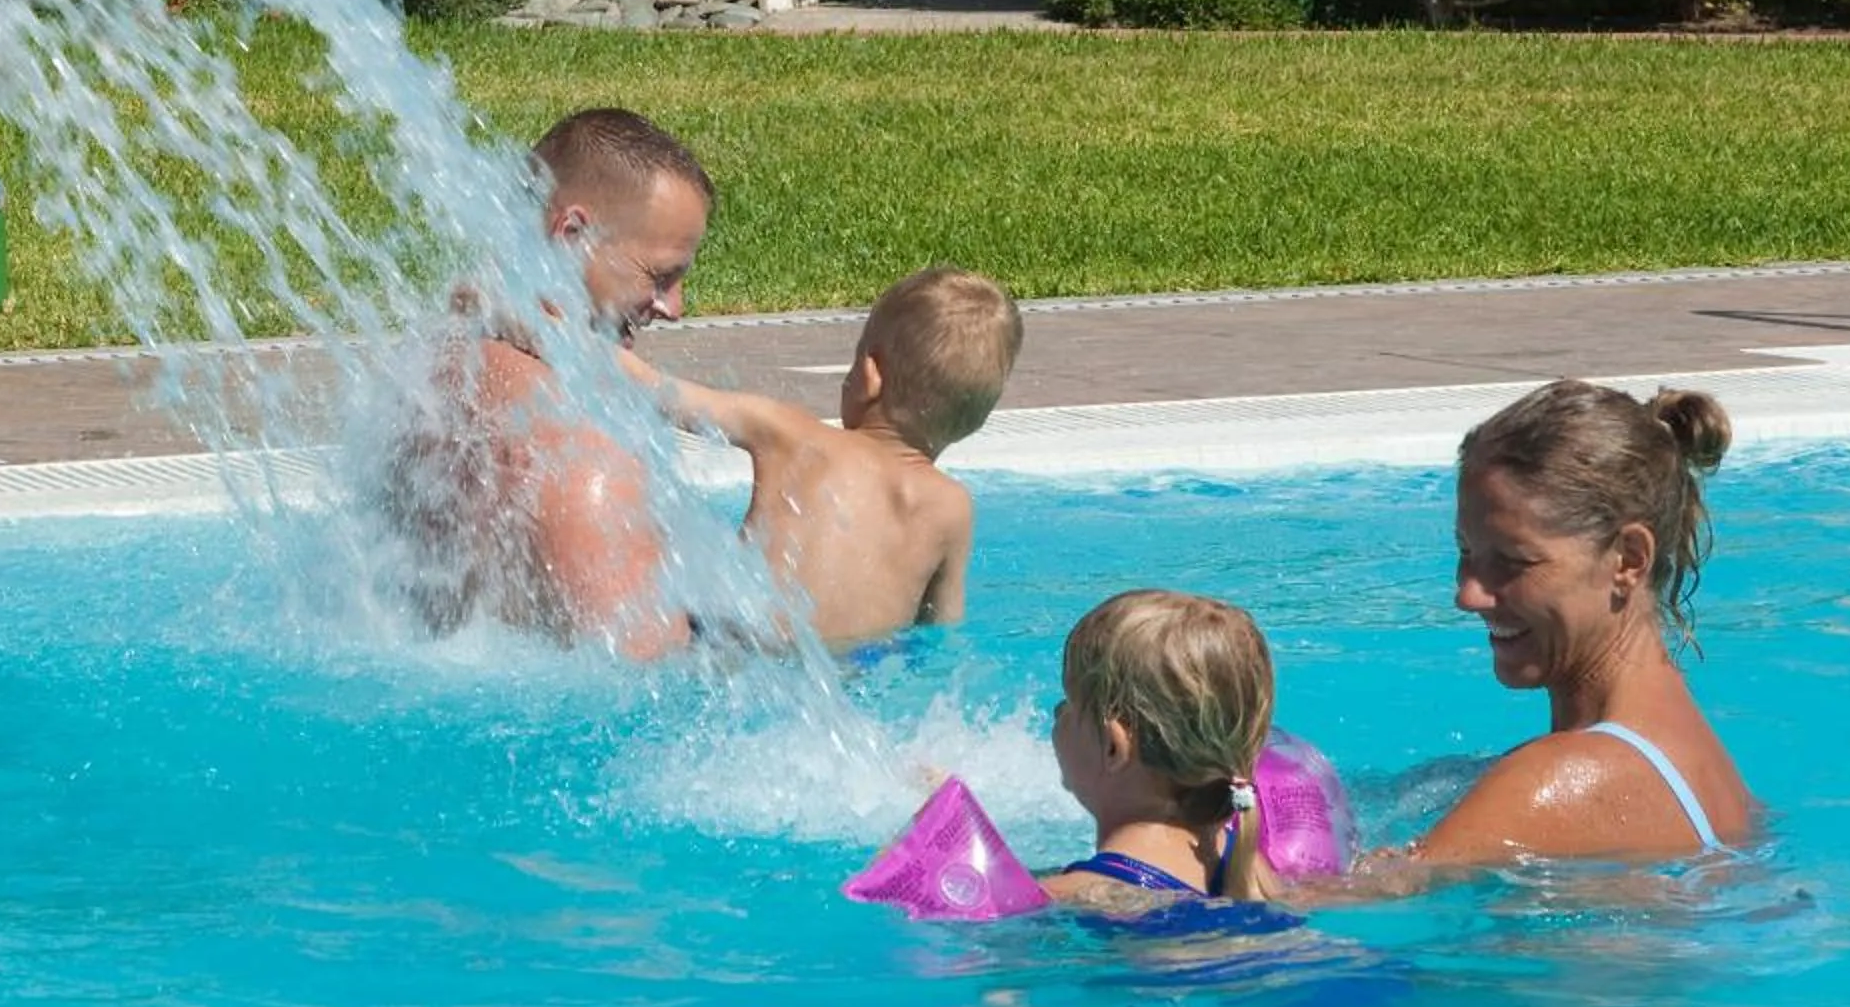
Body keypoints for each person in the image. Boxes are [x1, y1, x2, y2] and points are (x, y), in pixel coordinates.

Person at [384, 107, 713, 658]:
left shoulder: (435, 367)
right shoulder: (580, 455)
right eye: (660, 276)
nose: (674, 307)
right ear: (573, 233)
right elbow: (651, 687)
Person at [1411, 379, 1755, 865]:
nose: (1468, 593)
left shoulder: (1556, 780)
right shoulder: (1697, 757)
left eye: (1513, 562)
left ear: (1628, 560)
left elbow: (1305, 918)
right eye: (1466, 551)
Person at [626, 266, 1020, 647]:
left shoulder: (793, 434)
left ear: (869, 374)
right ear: (976, 421)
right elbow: (941, 633)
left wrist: (571, 330)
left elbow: (660, 392)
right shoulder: (951, 508)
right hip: (853, 673)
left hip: (742, 650)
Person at [1041, 589, 1286, 909]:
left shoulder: (1067, 897)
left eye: (1068, 704)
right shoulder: (1247, 866)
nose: (1057, 714)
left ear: (1114, 746)